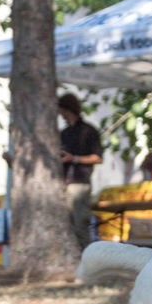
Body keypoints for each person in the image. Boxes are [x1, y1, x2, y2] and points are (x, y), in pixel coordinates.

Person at [58, 93, 104, 251]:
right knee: (67, 227)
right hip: (64, 182)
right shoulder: (64, 133)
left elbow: (97, 158)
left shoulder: (89, 131)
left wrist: (74, 159)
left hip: (80, 182)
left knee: (80, 226)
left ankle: (87, 260)